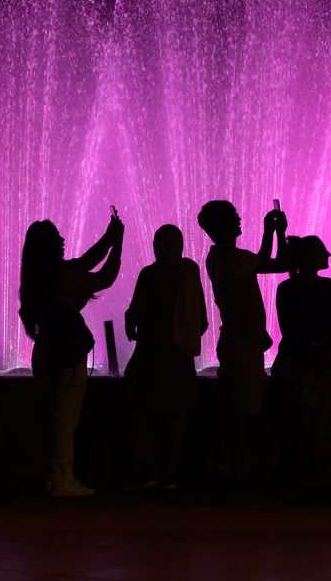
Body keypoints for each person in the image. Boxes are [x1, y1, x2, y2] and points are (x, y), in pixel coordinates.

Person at [19, 212, 124, 497]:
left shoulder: (37, 278)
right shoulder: (63, 276)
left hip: (45, 352)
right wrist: (119, 243)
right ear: (50, 245)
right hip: (66, 353)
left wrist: (109, 238)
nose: (63, 240)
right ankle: (62, 480)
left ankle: (55, 478)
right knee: (66, 421)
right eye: (57, 237)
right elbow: (103, 278)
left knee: (54, 418)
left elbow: (84, 262)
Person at [197, 200, 288, 481]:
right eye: (233, 217)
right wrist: (278, 232)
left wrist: (269, 233)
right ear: (220, 225)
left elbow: (259, 260)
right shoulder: (229, 258)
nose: (239, 220)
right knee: (245, 410)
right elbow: (278, 264)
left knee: (236, 408)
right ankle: (240, 473)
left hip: (236, 342)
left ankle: (232, 469)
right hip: (242, 345)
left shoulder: (220, 257)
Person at [123, 224, 208, 490]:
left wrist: (135, 327)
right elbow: (202, 320)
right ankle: (170, 475)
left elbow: (134, 314)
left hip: (150, 356)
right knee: (177, 416)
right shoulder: (190, 274)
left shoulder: (150, 274)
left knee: (143, 412)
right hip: (180, 358)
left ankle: (146, 472)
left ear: (157, 247)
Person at [271, 235, 331, 479]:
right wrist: (322, 349)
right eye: (322, 251)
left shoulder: (292, 288)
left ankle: (308, 468)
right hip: (307, 362)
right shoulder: (315, 288)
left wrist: (320, 350)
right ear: (307, 258)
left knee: (312, 415)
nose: (328, 255)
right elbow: (293, 327)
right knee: (311, 416)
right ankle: (309, 468)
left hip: (308, 360)